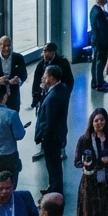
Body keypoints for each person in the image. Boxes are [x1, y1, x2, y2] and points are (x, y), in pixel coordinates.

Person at [74, 107, 108, 216]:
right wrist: (84, 163)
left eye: (101, 120)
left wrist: (107, 160)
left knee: (103, 213)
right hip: (89, 180)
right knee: (88, 214)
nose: (99, 123)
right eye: (96, 120)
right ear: (91, 123)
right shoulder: (84, 139)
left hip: (104, 179)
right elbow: (76, 162)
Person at [34, 66, 70, 196]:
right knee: (55, 166)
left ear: (52, 78)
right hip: (58, 135)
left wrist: (43, 137)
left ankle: (55, 192)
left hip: (51, 138)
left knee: (53, 166)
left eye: (45, 75)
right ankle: (53, 186)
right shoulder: (62, 89)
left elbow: (49, 122)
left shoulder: (53, 97)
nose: (43, 78)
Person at [89, 0, 108, 92]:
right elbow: (103, 29)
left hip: (96, 40)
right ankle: (99, 83)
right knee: (100, 62)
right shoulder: (100, 13)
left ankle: (95, 81)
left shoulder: (93, 10)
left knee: (95, 61)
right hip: (101, 41)